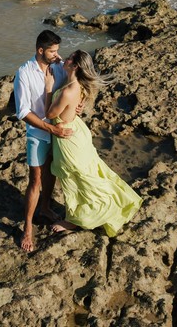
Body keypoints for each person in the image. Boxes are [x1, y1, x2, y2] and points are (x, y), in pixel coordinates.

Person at [45, 50, 141, 237]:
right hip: (77, 131)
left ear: (76, 66)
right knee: (87, 175)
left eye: (69, 58)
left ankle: (73, 221)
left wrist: (49, 88)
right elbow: (74, 103)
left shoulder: (67, 91)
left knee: (73, 178)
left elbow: (49, 114)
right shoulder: (80, 85)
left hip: (67, 138)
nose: (65, 58)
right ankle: (107, 205)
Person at [13, 29, 73, 253]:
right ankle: (27, 227)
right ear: (40, 50)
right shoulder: (24, 73)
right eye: (52, 51)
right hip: (38, 134)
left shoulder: (58, 67)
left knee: (52, 172)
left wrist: (78, 104)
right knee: (35, 179)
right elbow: (23, 111)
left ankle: (45, 207)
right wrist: (50, 128)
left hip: (57, 131)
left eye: (57, 50)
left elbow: (73, 86)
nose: (57, 54)